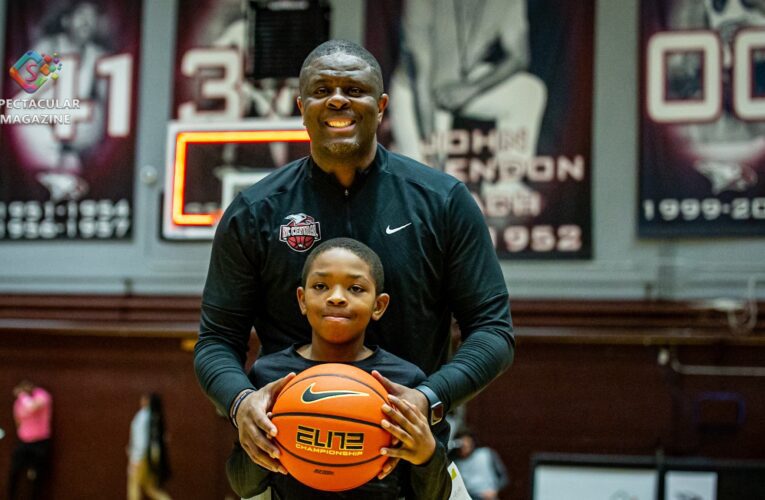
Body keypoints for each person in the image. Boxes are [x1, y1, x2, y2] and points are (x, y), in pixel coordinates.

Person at [194, 39, 514, 481]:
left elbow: (494, 332)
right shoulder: (255, 212)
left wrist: (427, 398)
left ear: (381, 105)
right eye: (322, 90)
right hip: (288, 467)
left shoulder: (442, 202)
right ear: (301, 105)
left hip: (410, 467)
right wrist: (239, 402)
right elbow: (215, 342)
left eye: (354, 89)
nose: (338, 99)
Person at [226, 237, 452, 499]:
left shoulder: (405, 382)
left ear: (378, 305)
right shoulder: (270, 375)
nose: (336, 298)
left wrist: (426, 454)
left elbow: (437, 495)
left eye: (355, 288)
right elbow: (243, 485)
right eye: (321, 286)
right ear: (302, 299)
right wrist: (261, 445)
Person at [388, 0, 547, 204]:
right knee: (423, 190)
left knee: (529, 91)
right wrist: (432, 152)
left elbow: (518, 57)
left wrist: (471, 89)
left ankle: (506, 187)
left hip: (462, 80)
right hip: (415, 92)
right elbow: (421, 78)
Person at [8, 380, 52, 500]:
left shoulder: (42, 395)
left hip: (40, 442)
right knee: (15, 471)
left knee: (36, 475)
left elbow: (32, 407)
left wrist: (22, 395)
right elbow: (18, 420)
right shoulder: (19, 403)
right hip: (24, 442)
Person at [127, 393, 172, 500]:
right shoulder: (156, 416)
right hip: (154, 454)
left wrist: (136, 458)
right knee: (150, 487)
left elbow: (140, 439)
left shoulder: (143, 416)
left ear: (147, 401)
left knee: (133, 484)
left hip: (142, 455)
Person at [450, 430, 508, 500]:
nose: (465, 445)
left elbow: (504, 477)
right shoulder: (455, 464)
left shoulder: (486, 454)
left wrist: (495, 490)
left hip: (490, 495)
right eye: (462, 443)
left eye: (467, 442)